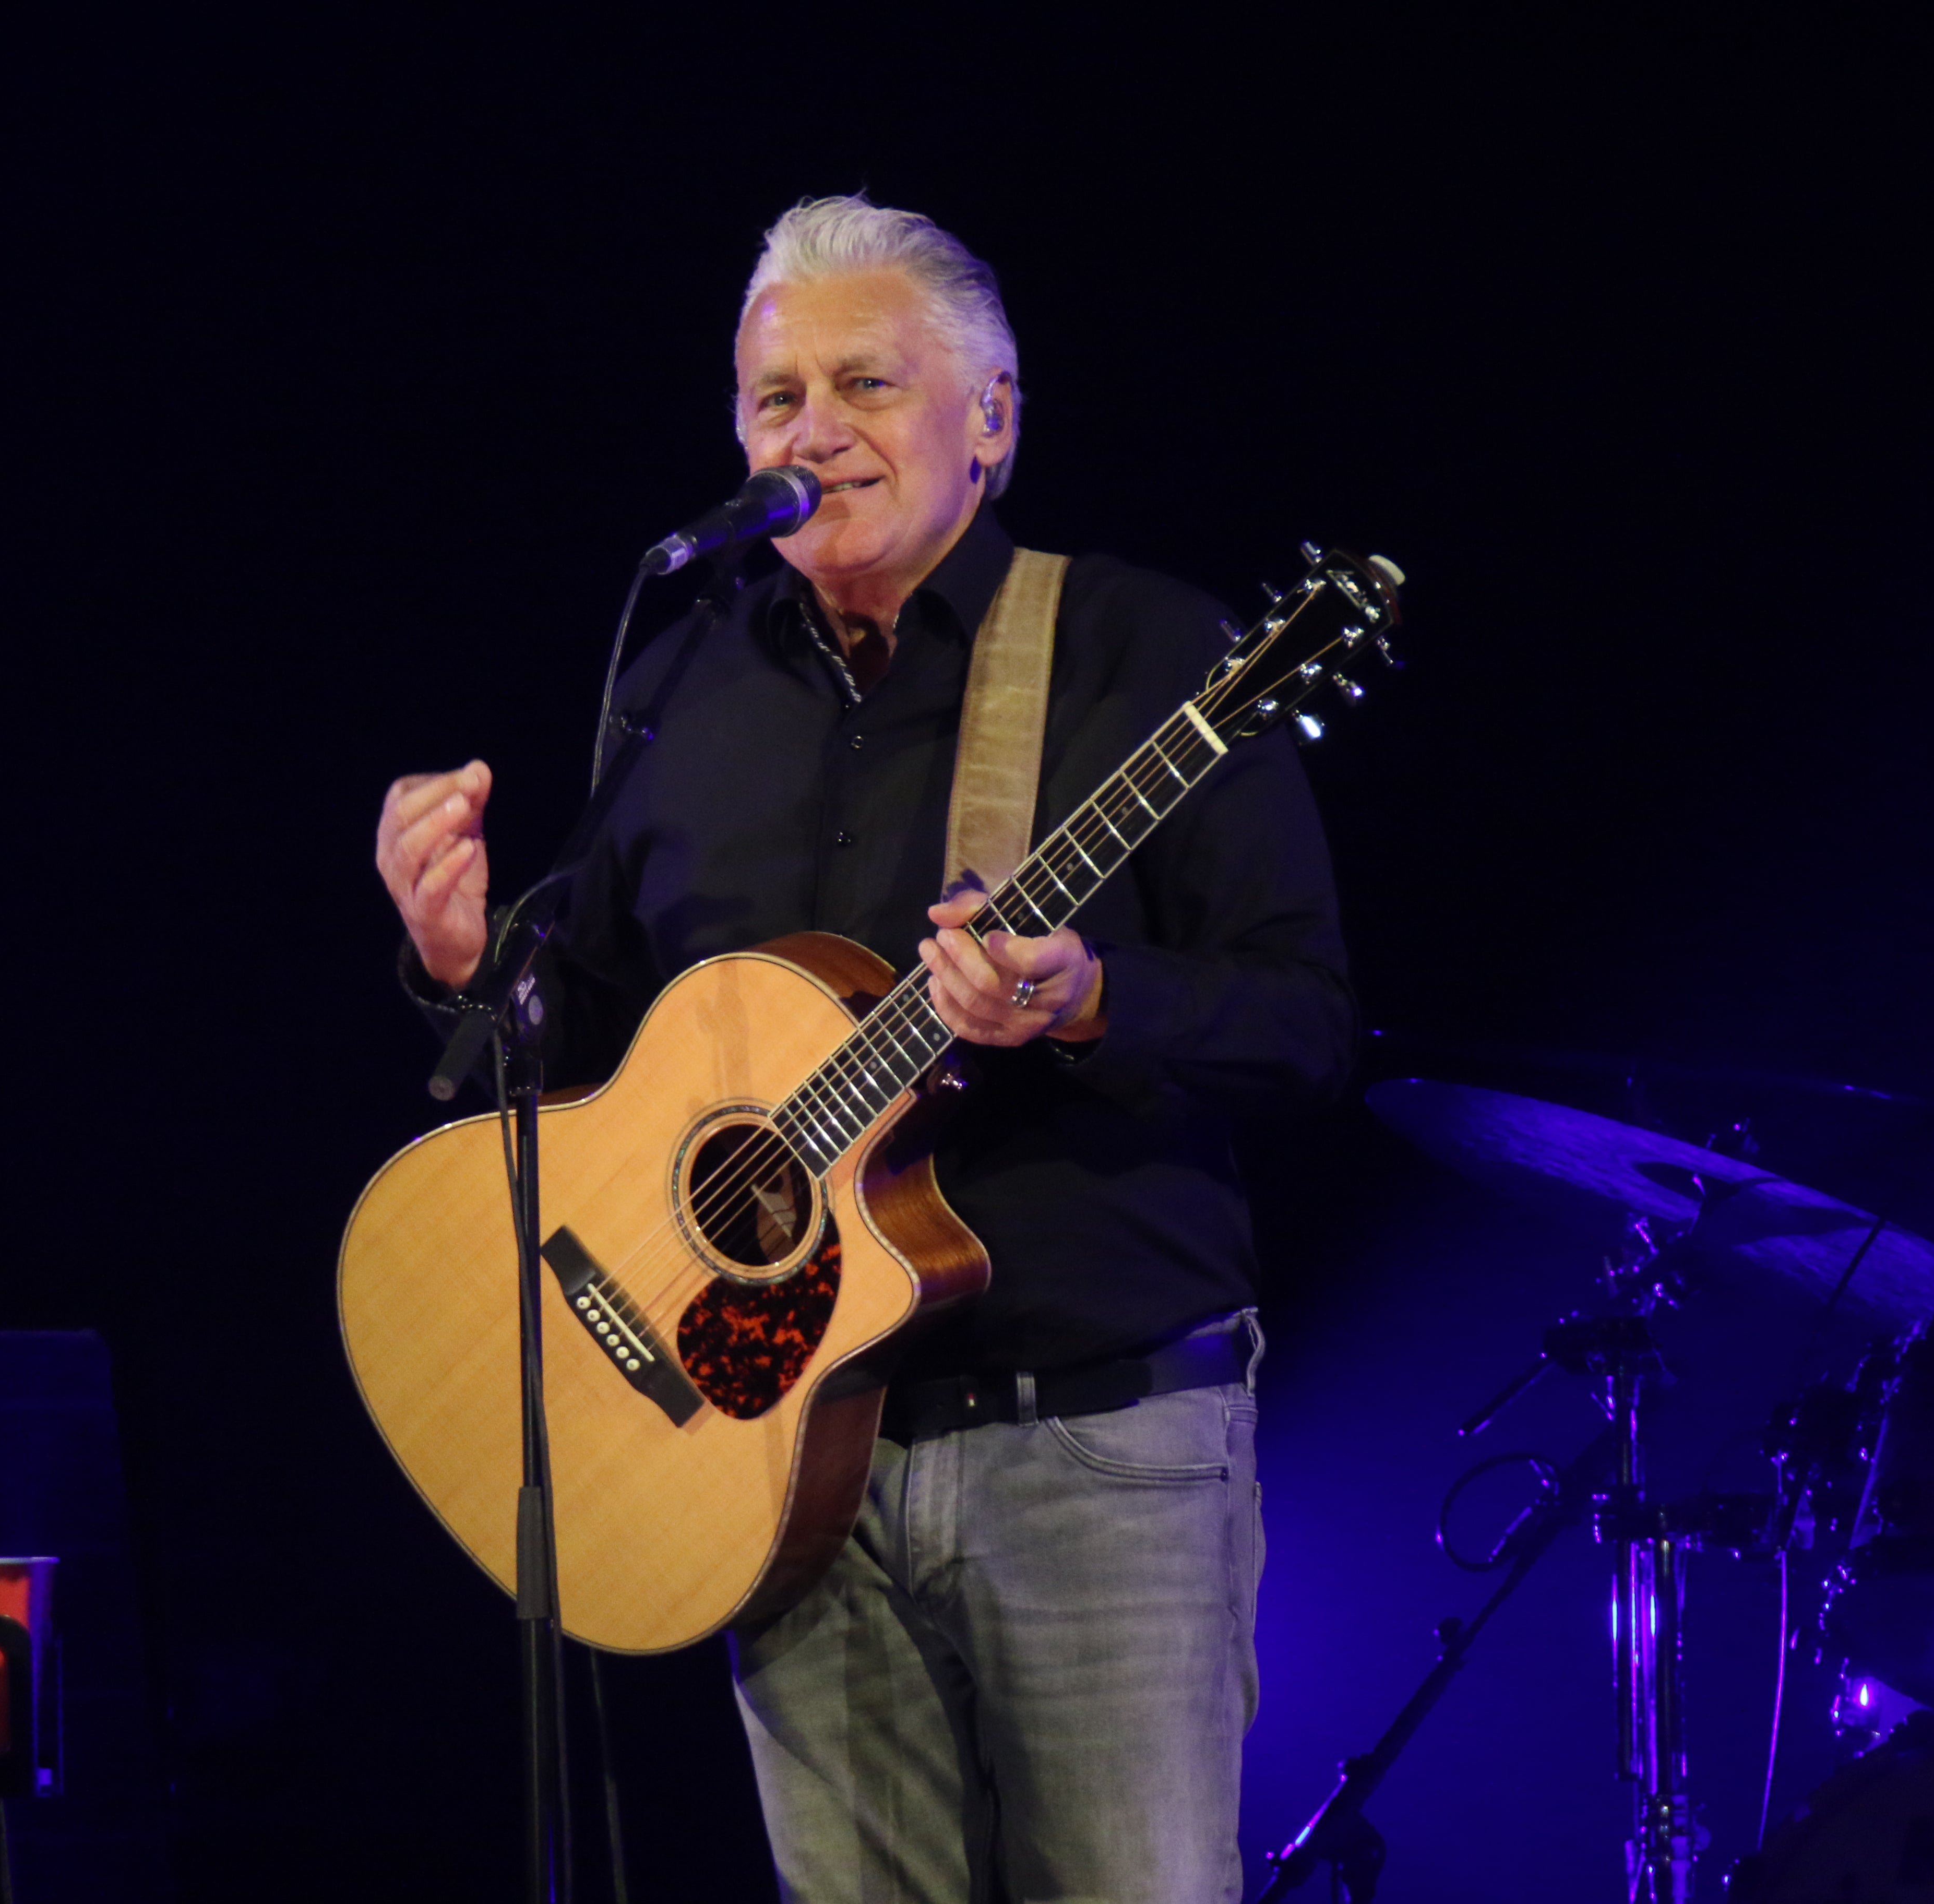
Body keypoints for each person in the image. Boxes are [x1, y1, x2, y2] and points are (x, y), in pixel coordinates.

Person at [374, 195, 1352, 1903]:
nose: (813, 431)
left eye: (867, 384)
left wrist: (1090, 998)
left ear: (994, 416)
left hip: (1092, 1446)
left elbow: (1308, 1024)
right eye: (777, 398)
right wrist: (465, 959)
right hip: (776, 1457)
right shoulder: (686, 682)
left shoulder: (1150, 653)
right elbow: (589, 1057)